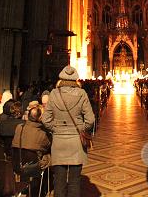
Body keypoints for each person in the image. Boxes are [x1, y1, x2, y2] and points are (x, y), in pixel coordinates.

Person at [42, 65, 95, 197]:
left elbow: (46, 119)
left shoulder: (54, 93)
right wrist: (80, 128)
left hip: (59, 142)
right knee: (74, 181)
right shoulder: (82, 94)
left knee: (58, 181)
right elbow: (90, 120)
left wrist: (56, 129)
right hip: (76, 142)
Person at [13, 105, 52, 169]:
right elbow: (47, 147)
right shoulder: (43, 133)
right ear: (40, 118)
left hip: (17, 163)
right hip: (34, 166)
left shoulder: (19, 127)